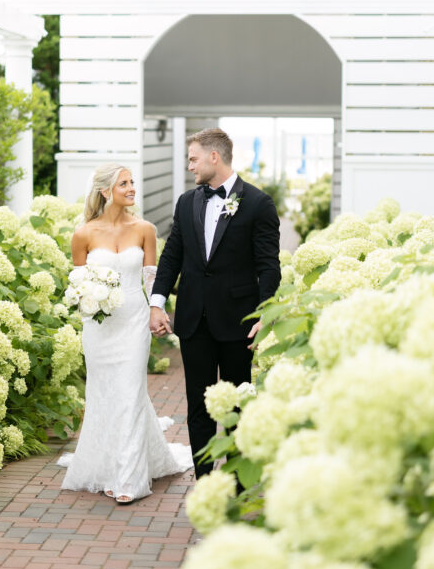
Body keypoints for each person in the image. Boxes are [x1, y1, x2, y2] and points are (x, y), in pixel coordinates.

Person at [150, 128, 281, 478]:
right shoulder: (186, 202)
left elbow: (269, 266)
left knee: (239, 407)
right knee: (199, 408)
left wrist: (265, 313)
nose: (190, 166)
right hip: (194, 321)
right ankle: (205, 482)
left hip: (239, 322)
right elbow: (172, 256)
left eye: (193, 158)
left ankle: (239, 485)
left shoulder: (257, 203)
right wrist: (157, 302)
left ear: (214, 157)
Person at [58, 162, 192, 503]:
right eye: (124, 183)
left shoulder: (145, 229)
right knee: (104, 393)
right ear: (106, 192)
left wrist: (156, 311)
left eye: (132, 182)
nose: (132, 188)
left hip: (134, 321)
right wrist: (88, 304)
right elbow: (78, 284)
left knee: (131, 391)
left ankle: (129, 478)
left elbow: (152, 280)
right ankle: (105, 465)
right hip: (100, 326)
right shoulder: (83, 234)